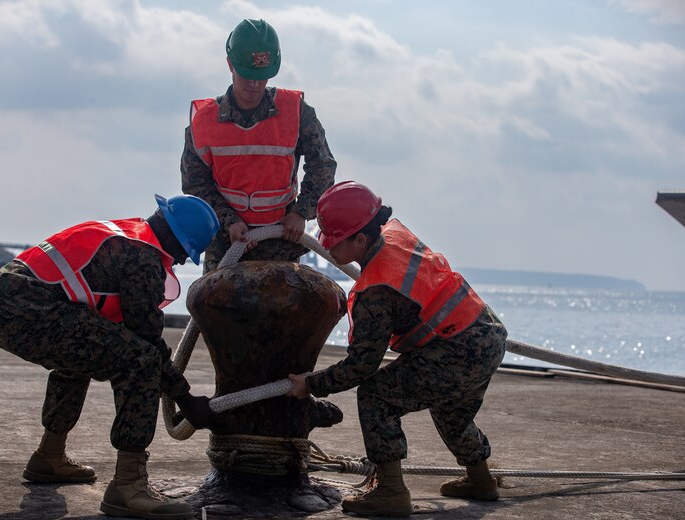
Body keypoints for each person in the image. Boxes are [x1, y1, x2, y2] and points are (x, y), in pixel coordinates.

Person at [0, 194, 221, 520]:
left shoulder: (125, 234)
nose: (177, 263)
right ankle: (129, 486)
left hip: (0, 305)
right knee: (140, 361)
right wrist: (186, 399)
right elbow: (147, 341)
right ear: (178, 239)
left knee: (83, 352)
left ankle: (49, 456)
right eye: (182, 254)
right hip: (26, 312)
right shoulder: (142, 256)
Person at [288, 181, 508, 517]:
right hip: (486, 335)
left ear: (360, 239)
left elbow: (362, 365)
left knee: (376, 395)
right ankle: (481, 480)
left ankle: (390, 491)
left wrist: (310, 384)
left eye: (334, 242)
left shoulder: (376, 290)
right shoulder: (393, 234)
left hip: (458, 347)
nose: (328, 249)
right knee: (453, 412)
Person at [181, 18, 337, 272]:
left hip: (282, 238)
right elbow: (195, 184)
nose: (254, 84)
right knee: (215, 308)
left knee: (283, 309)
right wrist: (228, 220)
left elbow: (323, 164)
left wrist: (301, 211)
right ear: (230, 64)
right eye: (247, 75)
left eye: (262, 77)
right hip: (227, 241)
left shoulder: (296, 112)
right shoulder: (204, 122)